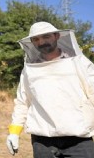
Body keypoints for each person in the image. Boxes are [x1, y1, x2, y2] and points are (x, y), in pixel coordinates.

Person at [6, 21, 94, 157]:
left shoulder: (78, 62)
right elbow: (23, 102)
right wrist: (14, 132)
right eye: (36, 39)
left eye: (46, 36)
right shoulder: (29, 69)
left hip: (79, 139)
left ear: (57, 36)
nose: (41, 42)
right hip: (42, 140)